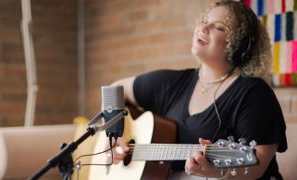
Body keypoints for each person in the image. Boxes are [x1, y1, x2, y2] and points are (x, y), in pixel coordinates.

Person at [111, 1, 287, 179]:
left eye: (219, 27)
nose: (204, 28)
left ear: (239, 47)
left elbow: (257, 163)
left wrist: (216, 171)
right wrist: (114, 134)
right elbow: (115, 90)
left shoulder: (254, 93)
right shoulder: (171, 83)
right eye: (204, 20)